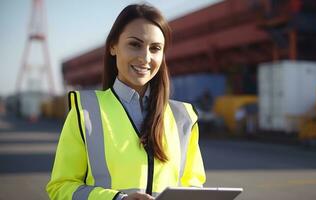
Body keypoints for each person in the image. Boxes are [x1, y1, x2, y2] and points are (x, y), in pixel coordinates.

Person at [46, 3, 206, 200]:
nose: (145, 58)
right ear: (113, 46)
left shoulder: (184, 117)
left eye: (155, 48)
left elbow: (193, 185)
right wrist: (117, 199)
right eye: (135, 44)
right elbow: (60, 188)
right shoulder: (86, 111)